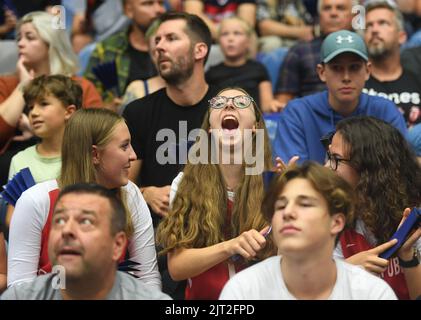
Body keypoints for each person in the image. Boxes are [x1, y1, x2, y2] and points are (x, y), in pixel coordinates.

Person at [7, 108, 161, 291]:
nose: (133, 155)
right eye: (124, 146)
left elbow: (148, 278)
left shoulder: (130, 194)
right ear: (95, 155)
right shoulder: (35, 201)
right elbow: (20, 289)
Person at [123, 12, 217, 299]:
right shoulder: (138, 112)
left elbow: (252, 181)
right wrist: (146, 192)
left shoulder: (231, 108)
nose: (159, 46)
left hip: (218, 231)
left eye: (171, 38)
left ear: (200, 50)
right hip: (156, 237)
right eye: (157, 40)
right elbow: (119, 185)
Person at [156, 87, 277, 300]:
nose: (229, 105)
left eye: (241, 102)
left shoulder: (274, 184)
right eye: (219, 103)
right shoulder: (185, 183)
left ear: (256, 127)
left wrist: (293, 198)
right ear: (210, 128)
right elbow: (176, 267)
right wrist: (230, 246)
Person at [220, 162, 397, 300]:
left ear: (336, 222)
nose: (288, 213)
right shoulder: (243, 290)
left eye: (304, 204)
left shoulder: (371, 293)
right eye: (280, 206)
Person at [1, 183, 170, 300]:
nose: (67, 231)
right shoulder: (19, 297)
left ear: (117, 245)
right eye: (59, 220)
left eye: (86, 222)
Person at [273, 29, 407, 164]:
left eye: (354, 67)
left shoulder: (384, 111)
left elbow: (399, 171)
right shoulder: (297, 113)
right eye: (337, 68)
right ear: (322, 72)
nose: (346, 77)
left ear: (367, 71)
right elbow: (294, 177)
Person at [0, 11, 103, 187]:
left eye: (30, 37)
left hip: (68, 170)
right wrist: (23, 86)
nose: (20, 44)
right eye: (19, 38)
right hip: (10, 172)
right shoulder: (7, 83)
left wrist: (38, 131)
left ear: (51, 43)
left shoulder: (80, 86)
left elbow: (99, 134)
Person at [327, 116, 421, 299]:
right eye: (329, 157)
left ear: (367, 167)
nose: (328, 167)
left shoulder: (413, 215)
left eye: (336, 159)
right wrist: (345, 269)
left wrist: (408, 257)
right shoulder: (332, 212)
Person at [275, 0, 356, 110]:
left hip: (358, 120)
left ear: (354, 16)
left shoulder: (366, 50)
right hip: (310, 117)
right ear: (319, 16)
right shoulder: (299, 51)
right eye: (327, 8)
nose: (333, 13)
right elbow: (282, 104)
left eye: (340, 8)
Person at [84, 0, 166, 105]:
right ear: (128, 10)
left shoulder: (173, 48)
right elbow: (87, 98)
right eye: (148, 3)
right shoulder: (107, 49)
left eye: (161, 3)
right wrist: (108, 109)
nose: (159, 9)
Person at [8, 75, 82, 183]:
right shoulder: (20, 160)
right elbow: (14, 200)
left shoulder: (87, 157)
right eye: (30, 107)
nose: (33, 113)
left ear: (69, 112)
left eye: (44, 104)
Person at [363, 0, 421, 127]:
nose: (374, 30)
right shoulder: (356, 82)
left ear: (401, 36)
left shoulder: (417, 79)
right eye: (369, 25)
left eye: (383, 23)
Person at [205, 17, 281, 112]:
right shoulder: (211, 74)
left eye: (237, 33)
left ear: (248, 41)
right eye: (225, 34)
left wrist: (274, 105)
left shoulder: (258, 69)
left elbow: (266, 105)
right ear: (219, 41)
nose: (230, 39)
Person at [184, 0, 256, 40]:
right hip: (204, 37)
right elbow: (193, 15)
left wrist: (228, 36)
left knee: (250, 37)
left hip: (235, 38)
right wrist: (224, 36)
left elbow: (246, 24)